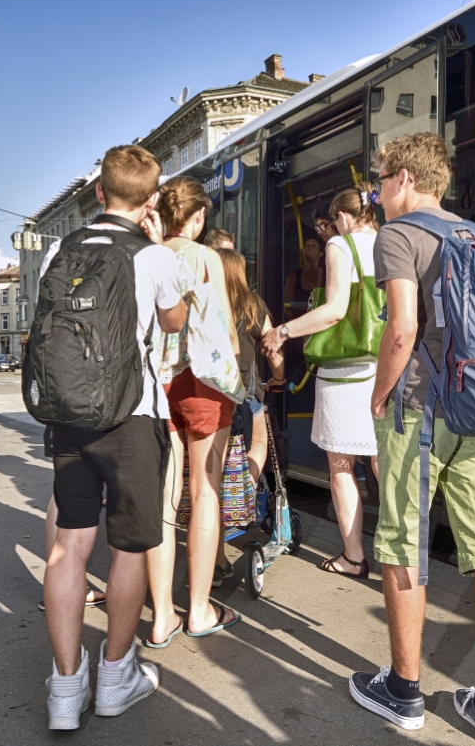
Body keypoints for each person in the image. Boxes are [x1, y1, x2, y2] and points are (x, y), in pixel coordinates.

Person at [351, 133, 475, 746]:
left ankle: (403, 692)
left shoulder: (397, 235)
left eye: (378, 181)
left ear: (403, 179)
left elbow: (402, 328)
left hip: (420, 408)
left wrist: (377, 399)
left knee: (401, 542)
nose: (375, 192)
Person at [37, 145, 187, 730]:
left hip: (69, 413)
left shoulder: (60, 247)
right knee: (129, 546)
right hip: (133, 416)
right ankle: (116, 676)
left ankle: (64, 690)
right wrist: (156, 240)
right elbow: (174, 320)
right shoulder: (151, 256)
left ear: (97, 192)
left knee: (69, 545)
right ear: (150, 201)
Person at [143, 175, 242, 651]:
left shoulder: (147, 255)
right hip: (203, 382)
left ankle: (162, 616)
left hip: (157, 384)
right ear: (198, 217)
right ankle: (199, 609)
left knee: (164, 497)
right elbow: (224, 328)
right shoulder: (206, 258)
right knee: (205, 492)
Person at [261, 186, 379, 579]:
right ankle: (406, 554)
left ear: (343, 218)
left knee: (341, 466)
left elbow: (334, 311)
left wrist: (283, 330)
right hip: (383, 369)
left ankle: (354, 556)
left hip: (345, 373)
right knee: (385, 464)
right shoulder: (389, 241)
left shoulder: (341, 247)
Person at [213, 247, 285, 575]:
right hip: (246, 393)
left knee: (212, 471)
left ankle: (215, 554)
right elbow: (272, 348)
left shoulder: (204, 298)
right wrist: (279, 377)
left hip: (210, 394)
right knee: (258, 445)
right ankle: (244, 494)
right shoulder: (252, 303)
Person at [284, 237, 324, 318]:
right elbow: (288, 309)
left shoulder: (328, 275)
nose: (308, 247)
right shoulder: (293, 277)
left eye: (313, 245)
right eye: (305, 245)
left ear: (321, 254)